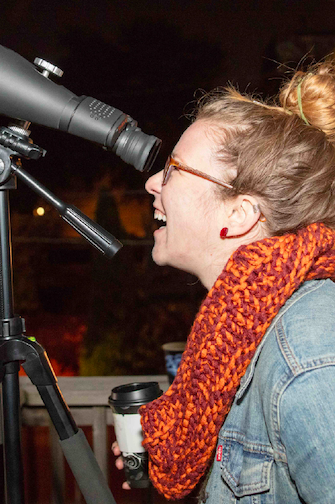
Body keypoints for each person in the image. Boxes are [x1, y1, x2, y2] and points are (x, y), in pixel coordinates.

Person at [113, 61, 335, 503]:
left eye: (176, 169)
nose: (153, 181)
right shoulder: (236, 329)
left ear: (239, 215)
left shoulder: (311, 358)